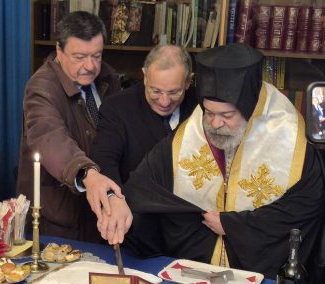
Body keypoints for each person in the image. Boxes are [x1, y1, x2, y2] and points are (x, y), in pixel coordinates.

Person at [98, 43, 325, 279]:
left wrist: (234, 225)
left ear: (250, 108)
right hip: (196, 270)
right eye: (209, 112)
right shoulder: (191, 132)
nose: (214, 124)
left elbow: (305, 207)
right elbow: (145, 184)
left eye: (227, 115)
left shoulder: (288, 138)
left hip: (258, 270)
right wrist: (120, 203)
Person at [16, 11, 130, 242]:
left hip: (101, 211)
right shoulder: (41, 86)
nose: (90, 66)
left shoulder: (107, 76)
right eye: (79, 57)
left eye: (96, 56)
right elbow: (50, 137)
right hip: (59, 217)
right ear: (59, 50)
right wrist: (86, 173)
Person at [91, 44, 198, 251]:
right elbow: (104, 159)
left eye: (174, 92)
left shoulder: (203, 107)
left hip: (191, 234)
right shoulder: (118, 108)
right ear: (144, 76)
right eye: (155, 91)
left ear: (188, 81)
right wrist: (113, 199)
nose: (165, 101)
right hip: (136, 231)